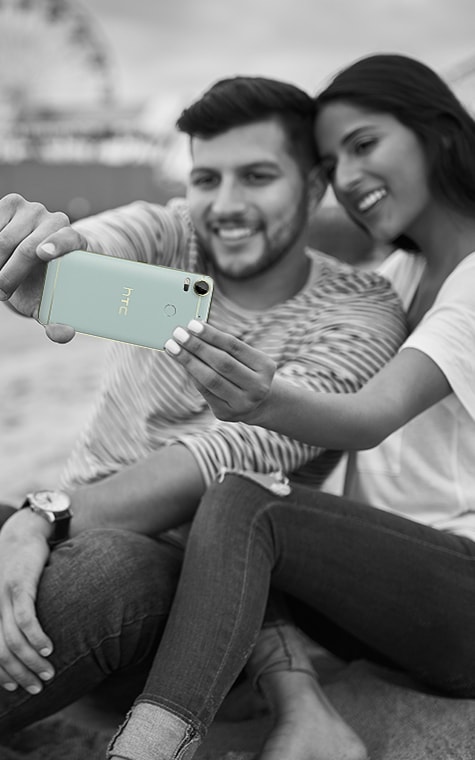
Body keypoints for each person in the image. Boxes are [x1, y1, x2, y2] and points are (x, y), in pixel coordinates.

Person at [0, 75, 406, 736]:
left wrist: (39, 519)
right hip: (64, 522)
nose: (226, 205)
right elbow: (100, 240)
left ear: (313, 187)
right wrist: (46, 256)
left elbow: (217, 459)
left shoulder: (359, 311)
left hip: (194, 595)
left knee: (109, 572)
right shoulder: (173, 236)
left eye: (256, 177)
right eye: (206, 179)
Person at [100, 53, 475, 760]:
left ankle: (148, 748)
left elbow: (370, 417)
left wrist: (265, 399)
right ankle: (304, 714)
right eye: (333, 162)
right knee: (239, 499)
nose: (349, 177)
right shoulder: (402, 273)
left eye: (364, 144)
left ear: (440, 132)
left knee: (244, 500)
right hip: (381, 596)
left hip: (457, 598)